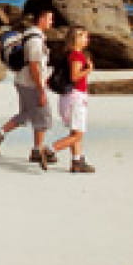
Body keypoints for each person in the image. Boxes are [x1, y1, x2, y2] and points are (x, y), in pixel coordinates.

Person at [0, 4, 56, 169]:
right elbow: (33, 66)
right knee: (43, 117)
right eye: (50, 19)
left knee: (26, 114)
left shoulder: (29, 35)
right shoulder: (35, 40)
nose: (52, 22)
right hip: (30, 83)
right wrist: (41, 90)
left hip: (22, 81)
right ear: (42, 19)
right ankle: (37, 151)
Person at [50, 26, 95, 173]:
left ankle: (77, 161)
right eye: (84, 37)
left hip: (69, 97)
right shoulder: (77, 56)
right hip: (75, 97)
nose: (86, 40)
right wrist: (88, 69)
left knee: (75, 131)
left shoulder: (69, 55)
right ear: (76, 39)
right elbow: (74, 77)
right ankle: (50, 150)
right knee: (78, 134)